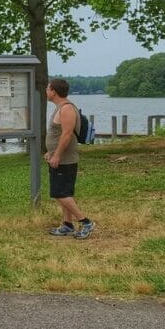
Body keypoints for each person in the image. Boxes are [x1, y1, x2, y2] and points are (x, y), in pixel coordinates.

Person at [44, 78, 95, 239]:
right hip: (58, 157)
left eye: (48, 88)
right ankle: (67, 224)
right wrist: (50, 151)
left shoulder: (66, 109)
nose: (46, 91)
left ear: (53, 91)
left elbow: (66, 135)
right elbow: (58, 134)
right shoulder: (60, 107)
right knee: (64, 192)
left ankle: (85, 222)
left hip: (65, 159)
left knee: (60, 193)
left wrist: (57, 155)